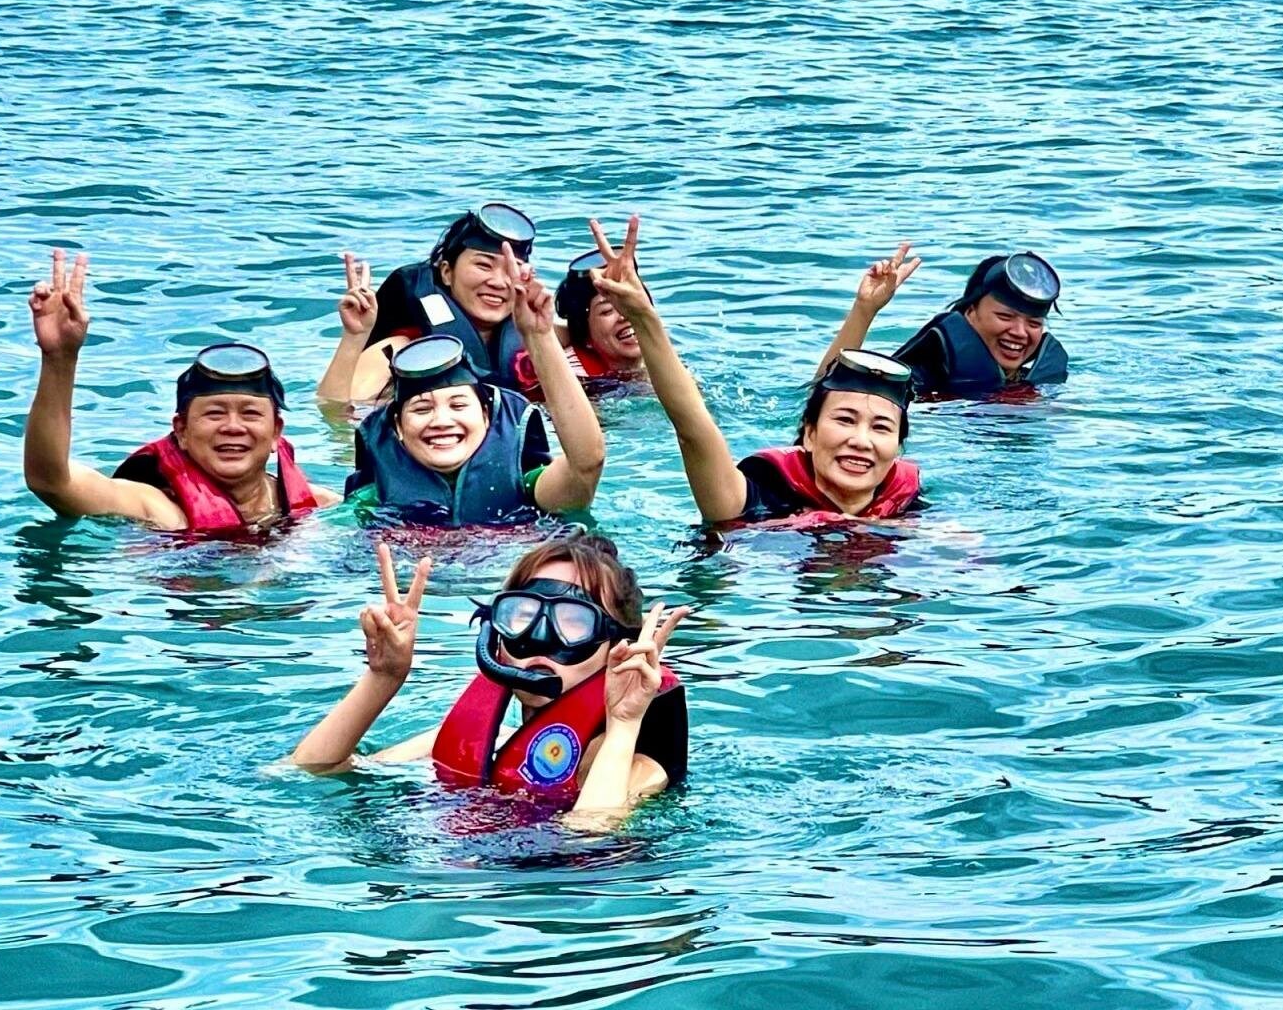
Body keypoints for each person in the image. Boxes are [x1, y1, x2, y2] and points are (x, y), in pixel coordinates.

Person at [292, 534, 690, 817]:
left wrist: (623, 724)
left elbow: (591, 836)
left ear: (617, 647)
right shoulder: (471, 744)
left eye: (573, 622)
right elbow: (308, 773)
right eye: (522, 615)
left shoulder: (639, 768)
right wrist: (383, 678)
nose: (539, 637)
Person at [587, 218, 924, 526]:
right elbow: (692, 428)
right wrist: (643, 317)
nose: (861, 441)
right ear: (809, 434)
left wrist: (864, 310)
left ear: (898, 448)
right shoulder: (748, 503)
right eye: (845, 420)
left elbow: (828, 391)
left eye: (881, 427)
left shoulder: (910, 512)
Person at [22, 249, 340, 533]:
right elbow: (51, 481)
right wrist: (60, 359)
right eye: (214, 413)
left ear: (276, 433)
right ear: (182, 431)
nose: (233, 426)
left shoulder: (320, 507)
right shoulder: (157, 509)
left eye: (250, 413)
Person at [343, 245, 606, 526]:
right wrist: (353, 338)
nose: (441, 421)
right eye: (421, 409)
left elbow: (586, 465)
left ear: (486, 416)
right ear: (398, 426)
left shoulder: (527, 489)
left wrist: (539, 337)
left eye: (458, 405)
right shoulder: (372, 501)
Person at [318, 203, 535, 401]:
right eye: (484, 265)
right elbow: (335, 413)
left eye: (512, 269)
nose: (498, 282)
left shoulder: (538, 345)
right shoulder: (401, 350)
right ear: (447, 272)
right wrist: (354, 337)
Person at [890, 252, 1069, 393]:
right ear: (970, 313)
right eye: (1005, 317)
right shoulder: (922, 377)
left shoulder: (1038, 384)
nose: (1020, 333)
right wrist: (872, 308)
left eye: (1034, 324)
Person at [510, 248, 646, 398]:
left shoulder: (654, 354)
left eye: (629, 302)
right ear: (585, 334)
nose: (624, 316)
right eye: (607, 311)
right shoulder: (573, 377)